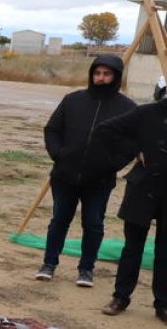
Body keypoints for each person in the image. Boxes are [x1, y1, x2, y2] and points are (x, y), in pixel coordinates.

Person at [36, 55, 136, 285]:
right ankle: (49, 264)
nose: (101, 78)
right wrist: (58, 154)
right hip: (64, 176)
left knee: (93, 224)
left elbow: (132, 143)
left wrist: (112, 164)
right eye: (97, 73)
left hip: (99, 180)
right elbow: (52, 129)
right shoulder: (72, 100)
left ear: (116, 77)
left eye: (107, 74)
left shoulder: (127, 108)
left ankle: (86, 269)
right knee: (59, 220)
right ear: (92, 74)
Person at [91, 98, 167, 324]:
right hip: (143, 188)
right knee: (133, 247)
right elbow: (105, 130)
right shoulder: (146, 112)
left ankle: (163, 304)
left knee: (166, 250)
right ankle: (120, 297)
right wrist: (135, 149)